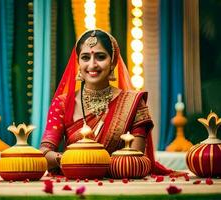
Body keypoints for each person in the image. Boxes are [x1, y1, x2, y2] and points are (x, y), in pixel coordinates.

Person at [40, 29, 173, 175]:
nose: (92, 65)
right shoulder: (62, 103)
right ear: (78, 63)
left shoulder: (133, 102)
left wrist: (91, 163)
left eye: (100, 57)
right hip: (74, 182)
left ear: (113, 62)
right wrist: (69, 160)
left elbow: (136, 158)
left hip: (120, 183)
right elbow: (45, 153)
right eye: (85, 57)